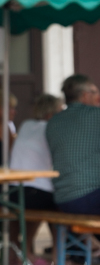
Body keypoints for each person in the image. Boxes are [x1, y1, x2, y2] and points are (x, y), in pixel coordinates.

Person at [9, 93, 63, 265]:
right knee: (58, 206)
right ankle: (56, 256)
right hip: (35, 191)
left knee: (30, 205)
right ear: (51, 113)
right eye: (60, 110)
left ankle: (16, 253)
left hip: (13, 190)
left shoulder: (26, 125)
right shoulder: (52, 129)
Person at [46, 77, 100, 214]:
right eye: (95, 92)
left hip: (62, 199)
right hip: (91, 197)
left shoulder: (53, 121)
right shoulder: (96, 115)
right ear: (85, 95)